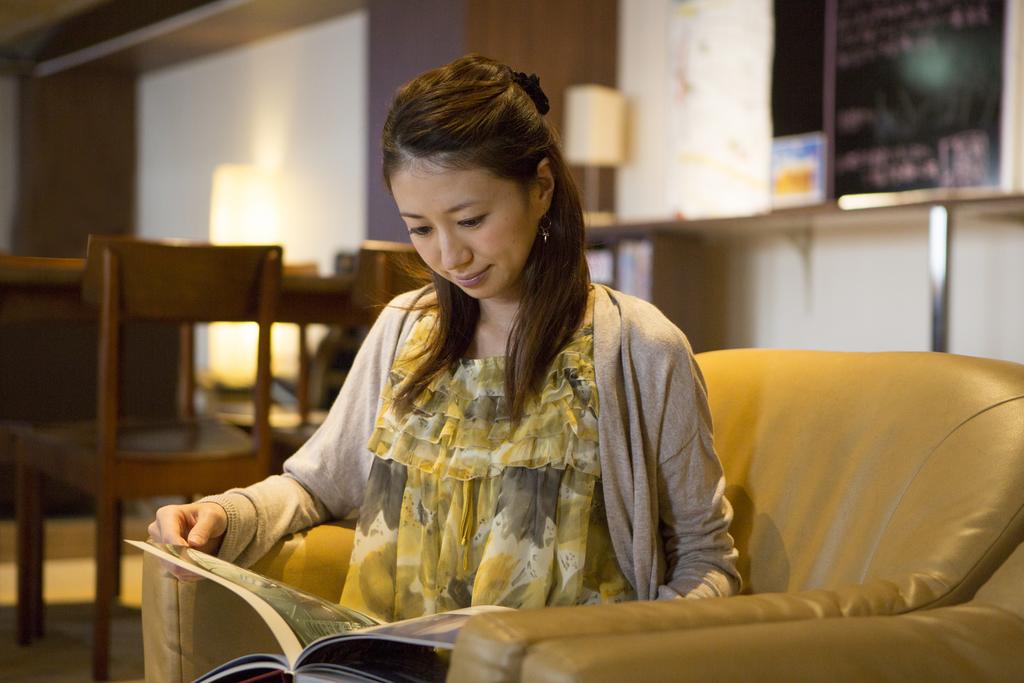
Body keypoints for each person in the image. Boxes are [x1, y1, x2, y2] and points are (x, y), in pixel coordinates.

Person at [149, 54, 739, 622]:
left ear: (541, 187)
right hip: (382, 665)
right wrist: (222, 514)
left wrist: (636, 652)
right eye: (421, 229)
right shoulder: (405, 330)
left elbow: (706, 561)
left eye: (471, 221)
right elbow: (315, 486)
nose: (449, 256)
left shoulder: (639, 347)